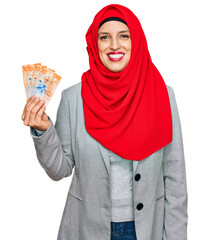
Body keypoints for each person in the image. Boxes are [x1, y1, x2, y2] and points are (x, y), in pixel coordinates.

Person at [21, 4, 188, 240]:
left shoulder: (162, 95)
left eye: (124, 36)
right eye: (104, 37)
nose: (114, 45)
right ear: (94, 43)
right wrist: (43, 131)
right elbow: (60, 169)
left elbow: (175, 178)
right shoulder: (73, 98)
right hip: (87, 229)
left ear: (136, 41)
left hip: (145, 230)